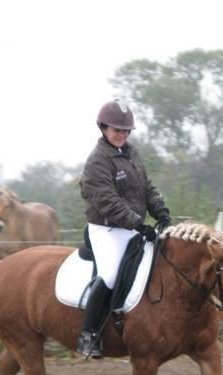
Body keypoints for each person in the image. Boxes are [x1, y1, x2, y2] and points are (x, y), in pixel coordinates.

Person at [78, 99, 171, 358]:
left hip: (131, 227)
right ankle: (88, 335)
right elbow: (108, 200)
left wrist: (161, 212)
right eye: (116, 130)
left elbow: (146, 187)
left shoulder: (132, 153)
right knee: (109, 275)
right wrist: (139, 224)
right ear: (104, 128)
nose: (121, 134)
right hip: (106, 229)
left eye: (125, 130)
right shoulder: (97, 160)